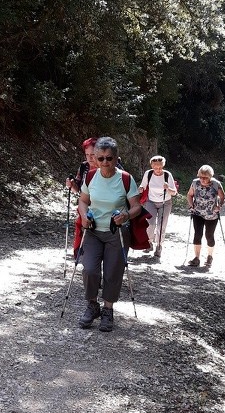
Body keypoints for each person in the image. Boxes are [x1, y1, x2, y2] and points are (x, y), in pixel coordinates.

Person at [77, 136, 141, 332]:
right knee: (89, 269)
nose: (105, 162)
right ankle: (92, 305)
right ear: (95, 159)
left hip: (117, 232)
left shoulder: (125, 179)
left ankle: (108, 310)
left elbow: (137, 207)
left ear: (116, 158)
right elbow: (83, 201)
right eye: (101, 158)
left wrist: (126, 215)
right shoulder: (90, 177)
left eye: (109, 158)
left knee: (113, 272)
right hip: (94, 231)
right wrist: (83, 216)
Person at [186, 165, 225, 268]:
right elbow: (189, 195)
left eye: (206, 177)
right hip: (197, 213)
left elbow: (222, 197)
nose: (203, 179)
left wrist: (219, 206)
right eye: (201, 177)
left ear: (210, 176)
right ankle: (196, 258)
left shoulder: (216, 184)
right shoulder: (195, 183)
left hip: (211, 215)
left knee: (209, 236)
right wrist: (191, 205)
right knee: (197, 234)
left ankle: (209, 256)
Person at [138, 155, 178, 259]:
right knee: (150, 224)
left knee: (161, 225)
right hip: (151, 201)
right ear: (152, 166)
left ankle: (159, 246)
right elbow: (143, 186)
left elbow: (174, 193)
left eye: (160, 167)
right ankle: (149, 243)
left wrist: (168, 188)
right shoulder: (149, 173)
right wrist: (141, 189)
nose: (158, 170)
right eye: (155, 167)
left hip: (165, 202)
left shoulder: (167, 175)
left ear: (163, 166)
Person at [65, 137, 98, 259]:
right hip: (86, 206)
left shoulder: (107, 167)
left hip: (103, 207)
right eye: (87, 154)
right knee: (82, 228)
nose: (90, 158)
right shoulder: (84, 167)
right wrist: (72, 184)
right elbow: (77, 189)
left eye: (93, 154)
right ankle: (83, 254)